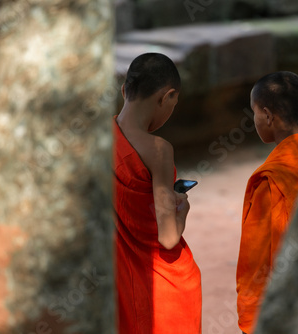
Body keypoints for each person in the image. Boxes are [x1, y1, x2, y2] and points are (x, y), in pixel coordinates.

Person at [113, 53, 201, 333]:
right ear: (167, 96)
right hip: (162, 282)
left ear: (125, 90)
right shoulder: (159, 150)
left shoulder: (97, 137)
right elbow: (168, 238)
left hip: (117, 278)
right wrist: (182, 210)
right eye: (174, 103)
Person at [236, 71, 298, 334]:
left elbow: (256, 266)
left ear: (268, 116)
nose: (255, 120)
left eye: (255, 113)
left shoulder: (270, 180)